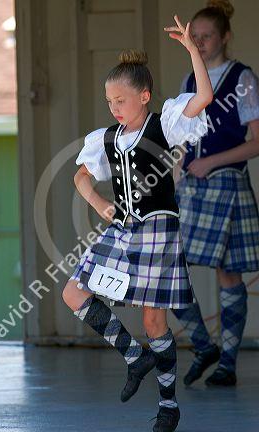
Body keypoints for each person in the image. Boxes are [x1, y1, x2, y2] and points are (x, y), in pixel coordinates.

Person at [62, 15, 212, 432]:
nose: (114, 108)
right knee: (74, 293)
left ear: (144, 96)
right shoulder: (107, 138)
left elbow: (203, 96)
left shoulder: (165, 123)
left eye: (121, 101)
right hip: (122, 228)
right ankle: (134, 356)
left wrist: (192, 51)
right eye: (109, 101)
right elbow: (80, 176)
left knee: (153, 321)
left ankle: (168, 405)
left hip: (158, 229)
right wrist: (97, 201)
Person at [173, 0, 259, 388]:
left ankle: (227, 363)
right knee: (169, 266)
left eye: (208, 36)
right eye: (196, 37)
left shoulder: (242, 78)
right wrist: (174, 177)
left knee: (228, 273)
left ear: (225, 37)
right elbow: (181, 141)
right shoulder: (190, 81)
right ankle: (203, 345)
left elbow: (257, 141)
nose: (202, 43)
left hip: (227, 183)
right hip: (192, 186)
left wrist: (212, 162)